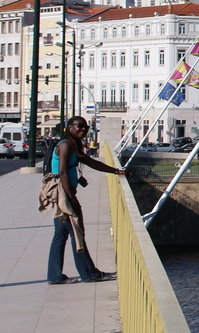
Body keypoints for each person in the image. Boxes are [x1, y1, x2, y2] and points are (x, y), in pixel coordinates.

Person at [42, 115, 128, 285]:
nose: (83, 129)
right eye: (79, 126)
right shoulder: (65, 145)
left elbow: (90, 162)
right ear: (69, 127)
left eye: (86, 127)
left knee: (61, 235)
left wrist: (116, 171)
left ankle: (54, 276)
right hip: (63, 196)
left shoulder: (72, 145)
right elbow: (63, 172)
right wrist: (72, 198)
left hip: (62, 194)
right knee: (76, 233)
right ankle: (89, 274)